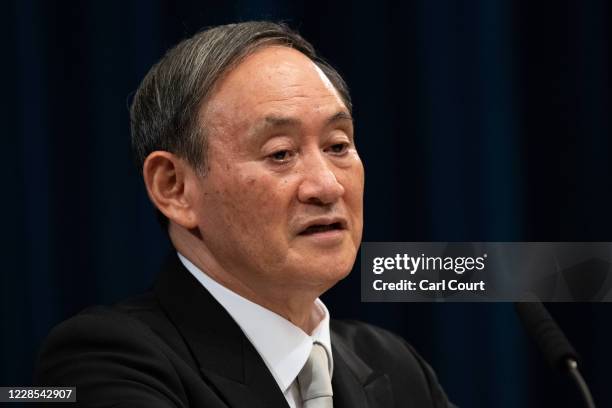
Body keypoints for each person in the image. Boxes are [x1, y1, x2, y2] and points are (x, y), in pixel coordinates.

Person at [35, 21, 455, 408]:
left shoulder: (395, 367)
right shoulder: (104, 363)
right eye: (281, 154)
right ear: (174, 187)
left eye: (338, 146)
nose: (328, 186)